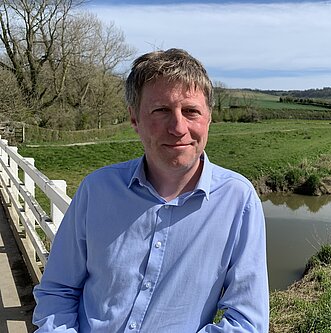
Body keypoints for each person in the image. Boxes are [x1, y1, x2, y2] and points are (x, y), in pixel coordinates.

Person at [32, 48, 269, 332]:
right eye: (161, 111)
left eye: (191, 111)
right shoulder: (96, 191)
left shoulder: (238, 201)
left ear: (209, 118)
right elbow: (58, 291)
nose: (179, 127)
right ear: (134, 118)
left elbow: (246, 321)